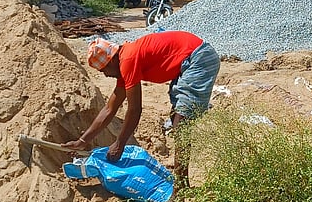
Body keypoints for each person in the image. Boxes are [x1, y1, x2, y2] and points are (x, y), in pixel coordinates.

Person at [64, 31, 220, 186]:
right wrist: (82, 141)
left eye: (103, 70)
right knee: (177, 120)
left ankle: (180, 189)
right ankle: (182, 182)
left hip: (198, 59)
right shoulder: (124, 60)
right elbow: (109, 109)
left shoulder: (128, 60)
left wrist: (120, 144)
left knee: (181, 125)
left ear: (111, 61)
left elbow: (135, 109)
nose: (105, 75)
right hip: (188, 61)